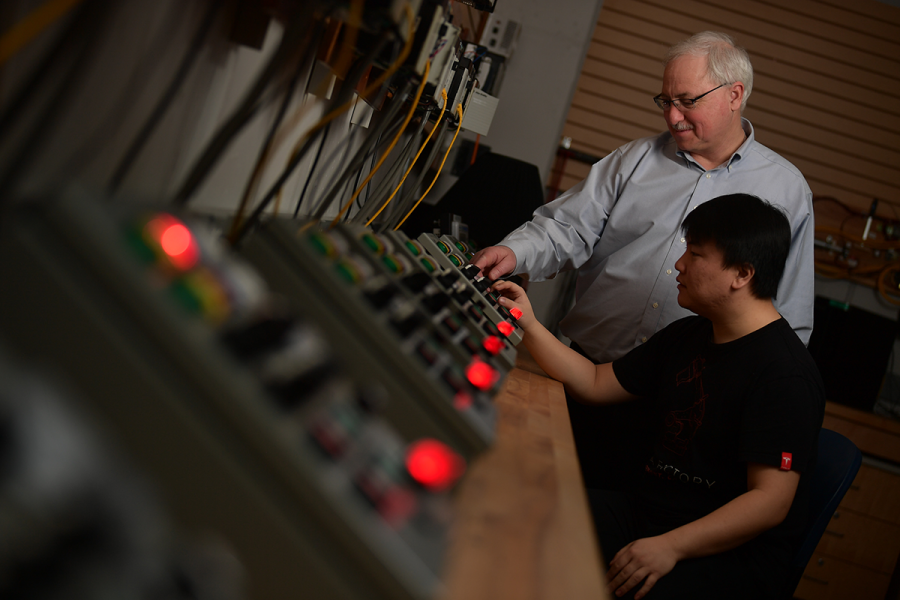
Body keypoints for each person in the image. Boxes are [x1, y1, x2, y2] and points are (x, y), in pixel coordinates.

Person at [471, 31, 815, 488]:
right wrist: (513, 251)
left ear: (735, 95)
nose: (673, 117)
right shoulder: (634, 160)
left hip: (683, 413)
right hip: (584, 374)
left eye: (687, 101)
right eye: (665, 100)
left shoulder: (786, 192)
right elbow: (566, 228)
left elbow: (787, 322)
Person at [490, 194, 825, 599]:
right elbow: (596, 382)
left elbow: (770, 502)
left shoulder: (784, 374)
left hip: (727, 558)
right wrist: (525, 320)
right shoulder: (691, 334)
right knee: (518, 511)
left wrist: (670, 547)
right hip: (649, 515)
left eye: (696, 254)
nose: (679, 265)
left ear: (741, 273)